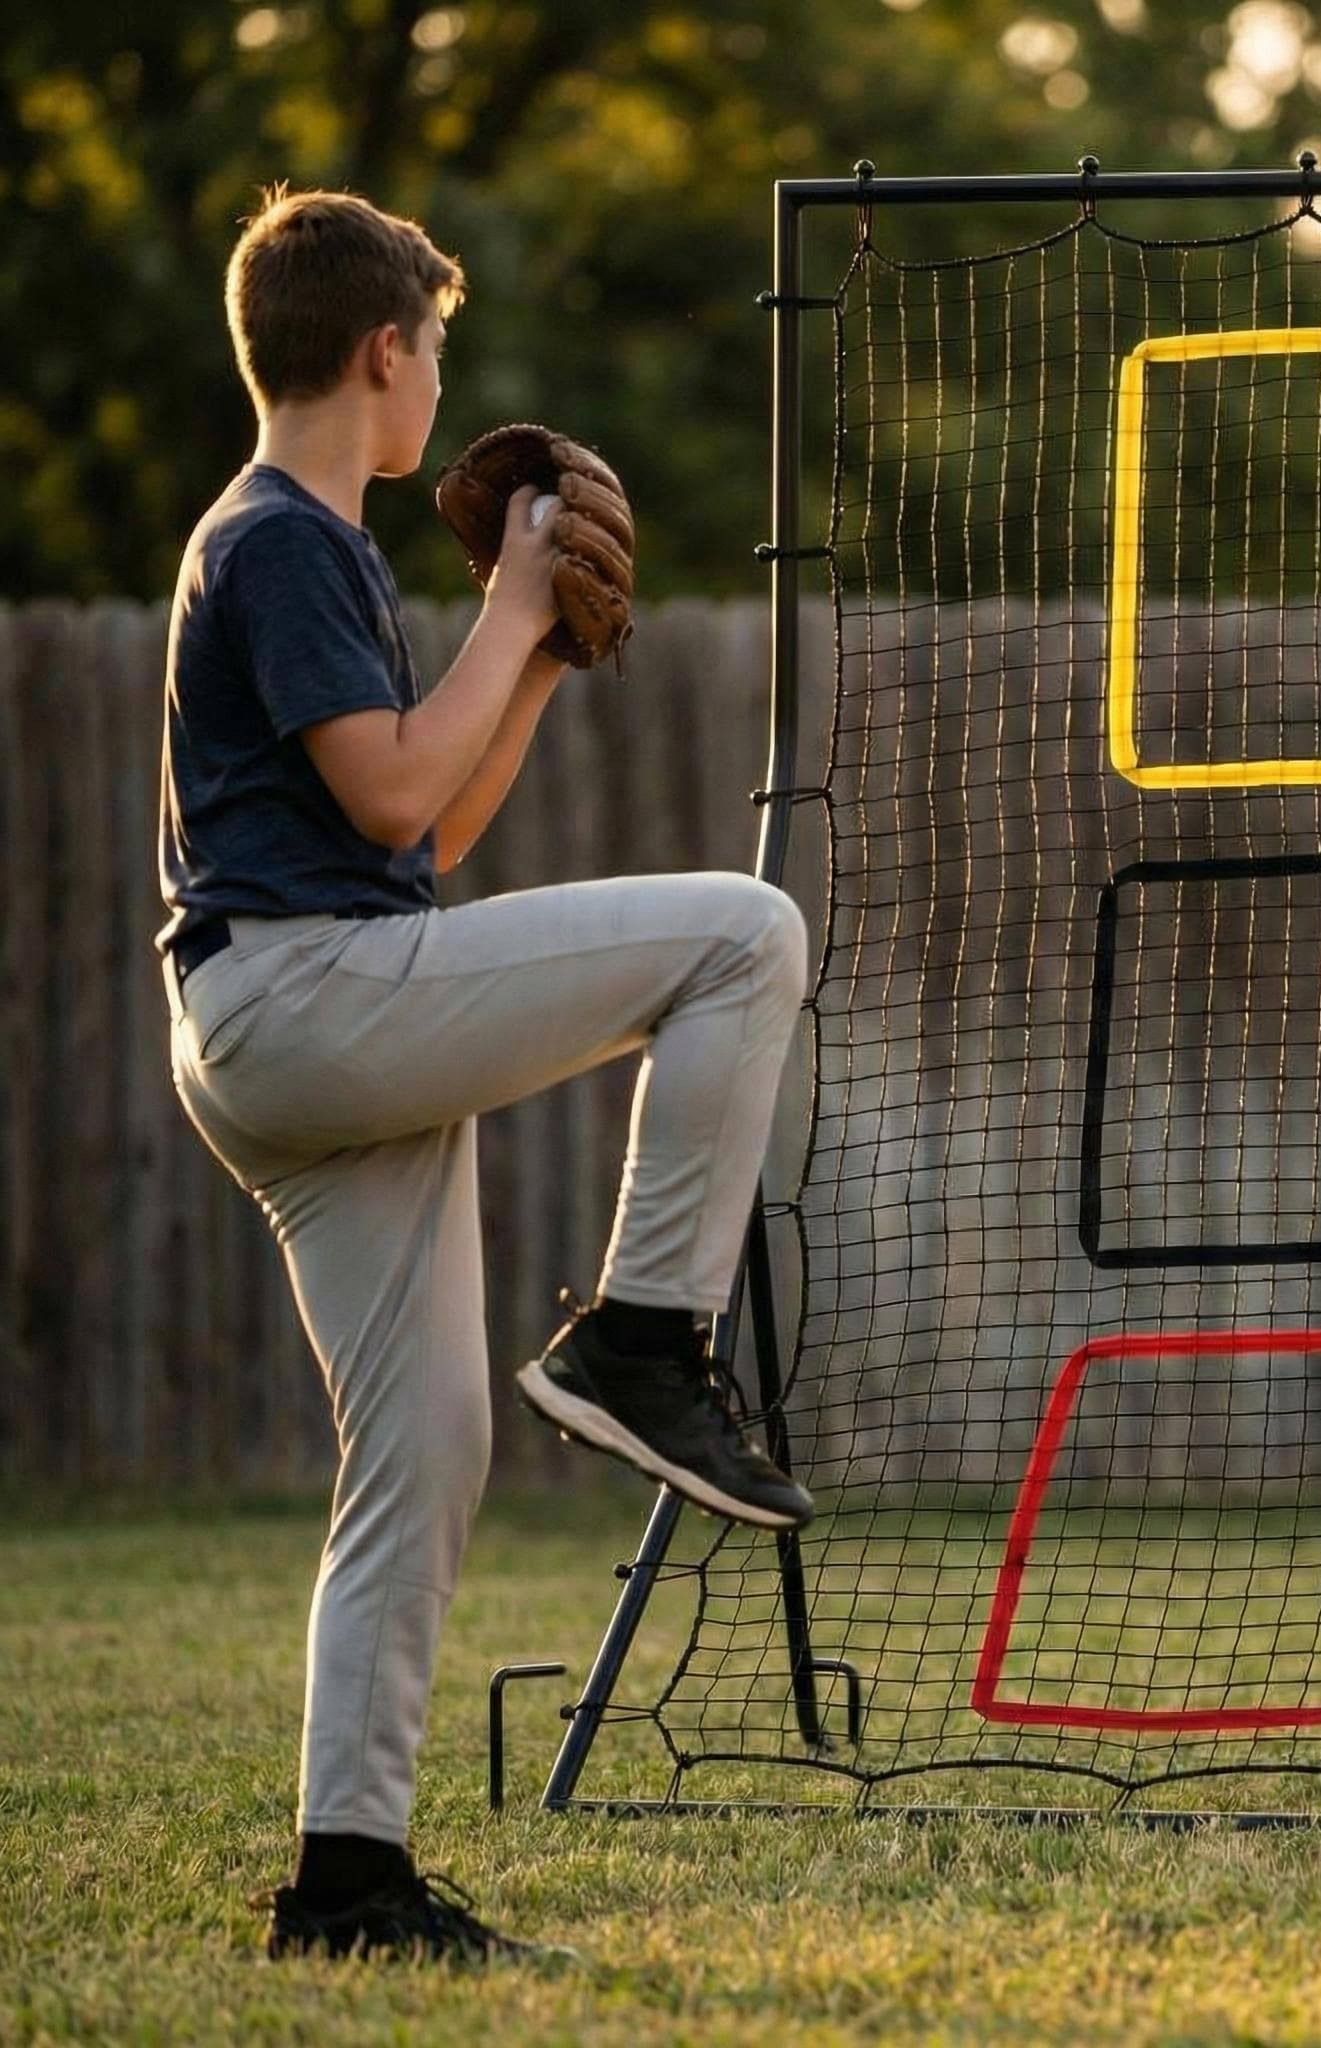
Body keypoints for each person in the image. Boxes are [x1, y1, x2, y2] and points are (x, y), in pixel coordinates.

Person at [158, 186, 813, 1962]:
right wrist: (511, 604)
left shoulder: (314, 546)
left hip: (298, 1014)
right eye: (432, 348)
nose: (438, 378)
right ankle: (641, 1339)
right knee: (744, 933)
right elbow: (382, 799)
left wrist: (528, 652)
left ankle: (348, 1883)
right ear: (386, 350)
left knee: (426, 1448)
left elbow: (426, 827)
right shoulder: (284, 536)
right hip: (305, 997)